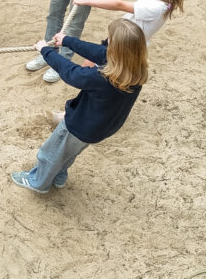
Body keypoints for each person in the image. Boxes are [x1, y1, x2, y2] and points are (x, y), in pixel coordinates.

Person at [12, 19, 149, 193]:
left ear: (116, 49)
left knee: (50, 153)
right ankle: (59, 177)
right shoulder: (135, 69)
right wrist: (67, 40)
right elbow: (98, 51)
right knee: (68, 153)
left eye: (110, 40)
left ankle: (38, 182)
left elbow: (72, 73)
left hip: (78, 127)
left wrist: (45, 51)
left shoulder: (102, 77)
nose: (106, 42)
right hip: (100, 129)